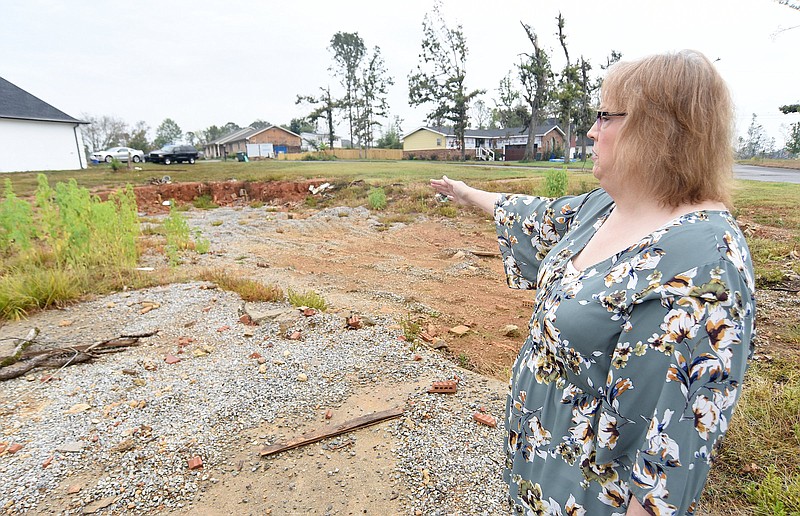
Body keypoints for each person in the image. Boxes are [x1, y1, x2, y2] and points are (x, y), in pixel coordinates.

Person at [430, 49, 755, 516]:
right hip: (538, 470)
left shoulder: (707, 263)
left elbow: (675, 449)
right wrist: (466, 192)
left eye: (604, 116)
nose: (590, 131)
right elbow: (534, 216)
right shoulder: (604, 208)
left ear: (659, 128)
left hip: (594, 499)